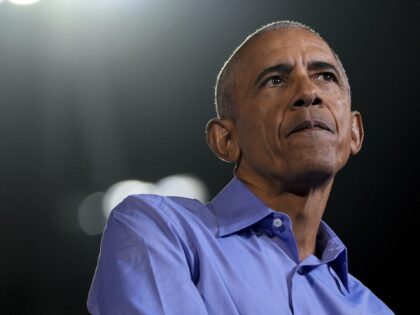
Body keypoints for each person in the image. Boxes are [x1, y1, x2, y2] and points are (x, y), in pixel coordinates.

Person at [87, 21, 394, 314]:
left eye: (325, 77)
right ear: (226, 139)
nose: (308, 93)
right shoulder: (159, 231)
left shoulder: (372, 309)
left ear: (354, 132)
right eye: (275, 80)